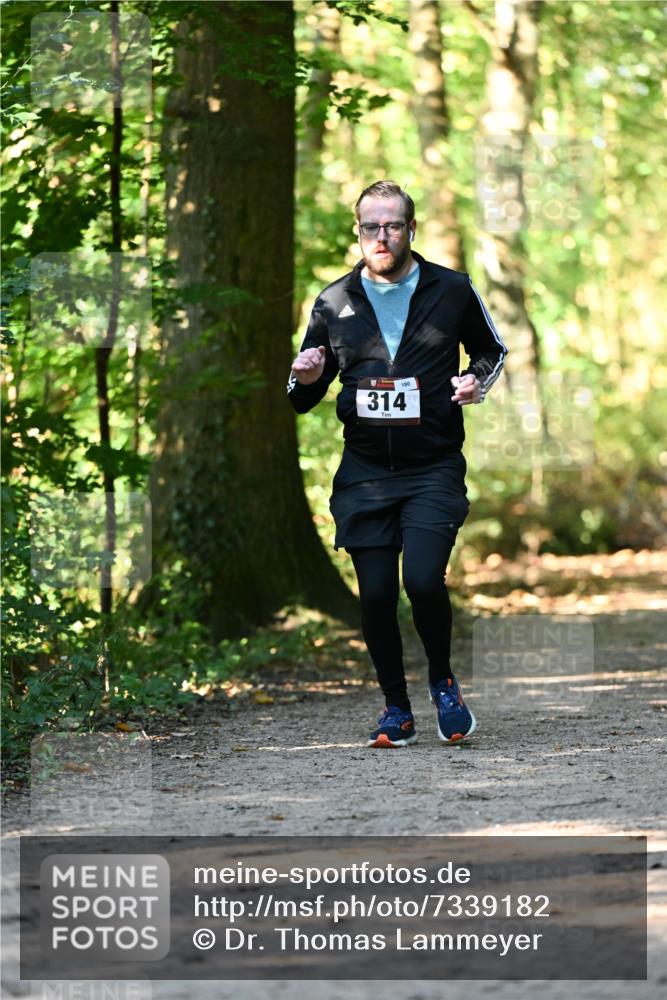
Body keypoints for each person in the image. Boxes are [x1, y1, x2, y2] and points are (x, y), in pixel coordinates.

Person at [287, 180, 508, 748]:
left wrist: (474, 381)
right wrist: (305, 375)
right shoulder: (334, 301)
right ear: (358, 232)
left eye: (392, 225)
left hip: (433, 466)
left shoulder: (451, 289)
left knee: (424, 582)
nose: (380, 236)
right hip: (364, 473)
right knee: (378, 594)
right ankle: (395, 708)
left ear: (411, 229)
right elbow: (302, 391)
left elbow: (492, 350)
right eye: (370, 227)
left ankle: (444, 683)